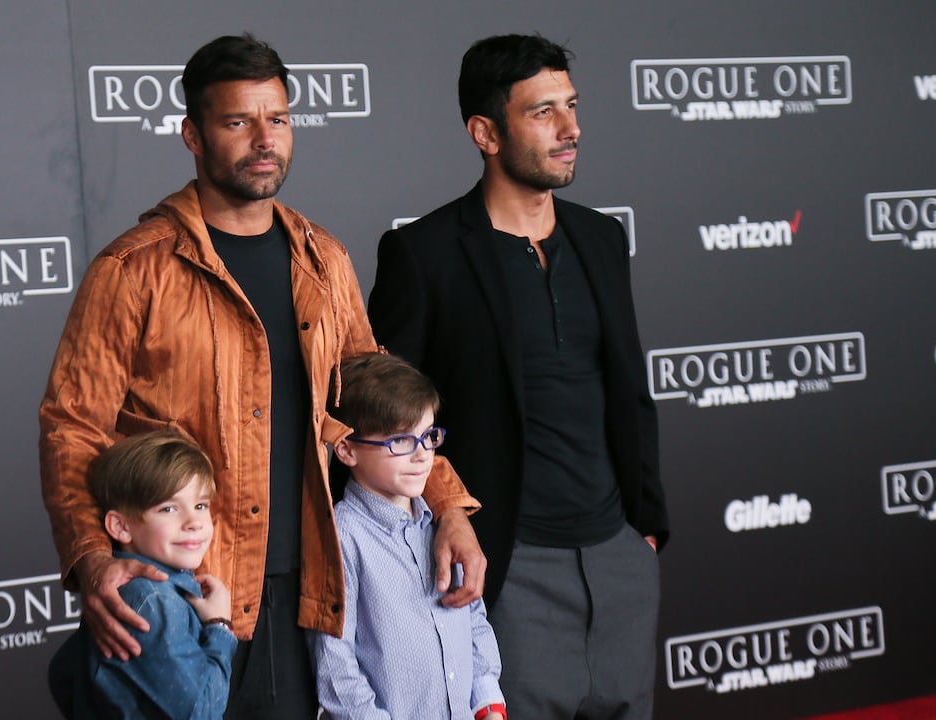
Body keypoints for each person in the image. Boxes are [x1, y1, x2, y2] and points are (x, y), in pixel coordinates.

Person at [38, 34, 485, 719]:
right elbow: (73, 427)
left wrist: (448, 505)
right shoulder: (133, 269)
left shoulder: (322, 259)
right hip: (186, 592)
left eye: (276, 119)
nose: (263, 139)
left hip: (314, 586)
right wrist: (94, 558)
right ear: (192, 133)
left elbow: (378, 403)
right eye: (237, 121)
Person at [366, 34, 670, 719]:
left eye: (571, 106)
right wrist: (450, 512)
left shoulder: (599, 237)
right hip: (505, 564)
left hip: (617, 557)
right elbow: (382, 413)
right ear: (486, 132)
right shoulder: (424, 253)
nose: (571, 129)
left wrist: (643, 532)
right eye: (542, 113)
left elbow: (628, 388)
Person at [308, 353, 506, 720]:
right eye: (400, 441)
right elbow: (335, 665)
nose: (421, 456)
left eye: (428, 436)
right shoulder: (341, 538)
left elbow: (473, 617)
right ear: (347, 449)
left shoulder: (441, 527)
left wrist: (487, 703)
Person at [49, 429, 236, 719]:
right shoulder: (152, 601)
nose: (194, 522)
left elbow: (61, 673)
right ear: (120, 527)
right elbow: (201, 711)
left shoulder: (140, 592)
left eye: (200, 505)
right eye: (168, 508)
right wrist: (220, 626)